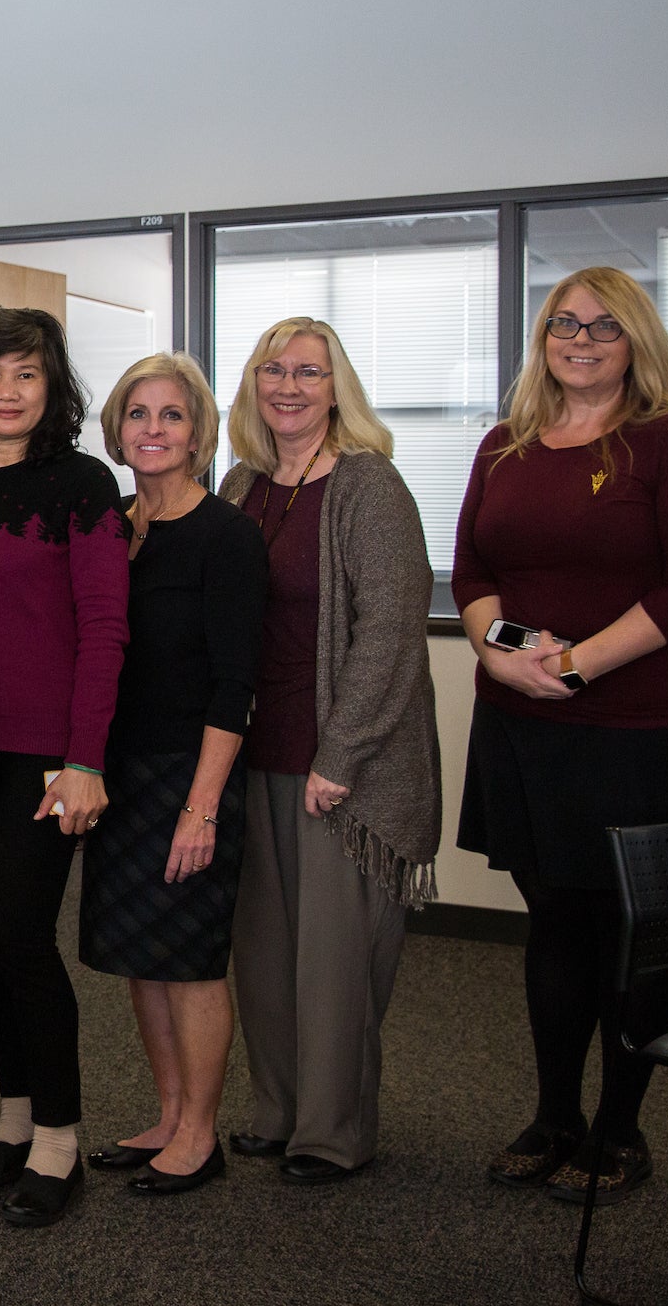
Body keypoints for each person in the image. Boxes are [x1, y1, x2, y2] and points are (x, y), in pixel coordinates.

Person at [454, 266, 668, 1205]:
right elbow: (472, 573)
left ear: (637, 342)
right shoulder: (507, 445)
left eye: (605, 326)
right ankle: (555, 1117)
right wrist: (501, 653)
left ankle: (620, 1129)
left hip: (644, 730)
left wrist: (575, 665)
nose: (581, 338)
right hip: (526, 728)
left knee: (628, 935)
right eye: (564, 323)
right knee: (557, 926)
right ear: (543, 338)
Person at [219, 316, 440, 1187]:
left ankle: (333, 1131)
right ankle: (276, 1111)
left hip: (346, 766)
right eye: (273, 369)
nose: (289, 386)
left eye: (309, 372)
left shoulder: (369, 486)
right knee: (265, 952)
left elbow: (390, 631)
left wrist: (341, 753)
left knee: (336, 958)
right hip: (254, 752)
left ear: (336, 386)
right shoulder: (242, 483)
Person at [0, 307, 128, 1228]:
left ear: (52, 390)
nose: (7, 392)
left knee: (21, 938)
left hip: (50, 758)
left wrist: (85, 758)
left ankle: (59, 1137)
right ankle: (12, 1125)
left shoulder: (84, 484)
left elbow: (105, 630)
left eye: (27, 375)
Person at [78, 354, 267, 1196]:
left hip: (192, 775)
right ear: (118, 428)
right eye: (138, 414)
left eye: (172, 416)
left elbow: (237, 683)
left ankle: (201, 1132)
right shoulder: (112, 525)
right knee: (142, 958)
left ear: (199, 433)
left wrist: (203, 808)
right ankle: (166, 1112)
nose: (153, 430)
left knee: (190, 959)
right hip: (119, 773)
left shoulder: (226, 534)